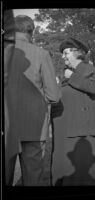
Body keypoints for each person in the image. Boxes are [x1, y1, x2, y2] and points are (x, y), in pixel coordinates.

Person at [4, 14, 61, 186]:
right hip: (33, 127)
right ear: (31, 31)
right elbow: (54, 95)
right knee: (33, 179)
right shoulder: (41, 54)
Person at [51, 37, 95, 186]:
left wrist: (71, 77)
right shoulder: (67, 72)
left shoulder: (87, 68)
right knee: (63, 168)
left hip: (79, 130)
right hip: (65, 128)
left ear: (77, 52)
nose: (63, 56)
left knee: (79, 173)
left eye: (66, 52)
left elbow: (92, 88)